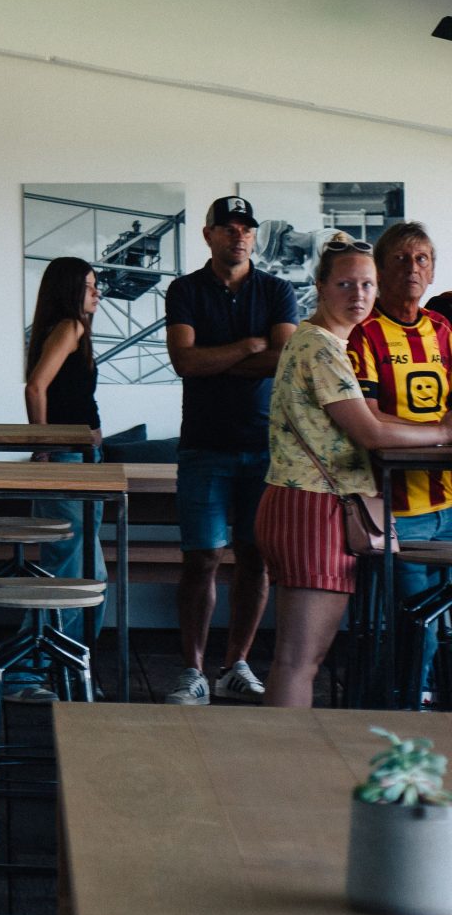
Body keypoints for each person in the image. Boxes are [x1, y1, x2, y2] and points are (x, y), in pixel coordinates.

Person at [258, 236, 452, 708]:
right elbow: (371, 431)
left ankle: (284, 750)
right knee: (299, 660)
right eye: (345, 284)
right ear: (320, 286)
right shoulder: (321, 348)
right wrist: (444, 432)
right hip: (313, 506)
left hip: (309, 502)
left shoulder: (324, 342)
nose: (359, 295)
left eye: (366, 284)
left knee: (298, 658)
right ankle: (282, 753)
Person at [162, 195, 296, 705]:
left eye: (246, 228)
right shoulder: (185, 289)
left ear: (254, 236)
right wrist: (247, 346)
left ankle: (235, 665)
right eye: (228, 227)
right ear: (209, 235)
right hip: (204, 445)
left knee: (255, 559)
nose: (238, 235)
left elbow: (283, 360)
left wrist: (215, 359)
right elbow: (185, 362)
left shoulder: (277, 290)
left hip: (266, 447)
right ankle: (192, 671)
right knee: (201, 559)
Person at [347, 221, 452, 698]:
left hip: (448, 503)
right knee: (415, 626)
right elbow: (370, 419)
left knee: (438, 622)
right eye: (401, 259)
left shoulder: (443, 329)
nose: (412, 268)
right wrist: (438, 435)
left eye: (421, 259)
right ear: (381, 270)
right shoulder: (364, 334)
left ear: (432, 272)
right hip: (397, 509)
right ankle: (403, 711)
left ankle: (416, 700)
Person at [24, 256, 107, 648]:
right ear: (70, 290)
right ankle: (42, 662)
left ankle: (62, 658)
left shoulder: (69, 328)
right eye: (88, 286)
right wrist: (43, 446)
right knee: (73, 571)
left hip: (80, 459)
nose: (97, 293)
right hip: (69, 459)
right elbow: (36, 387)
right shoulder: (70, 326)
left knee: (82, 569)